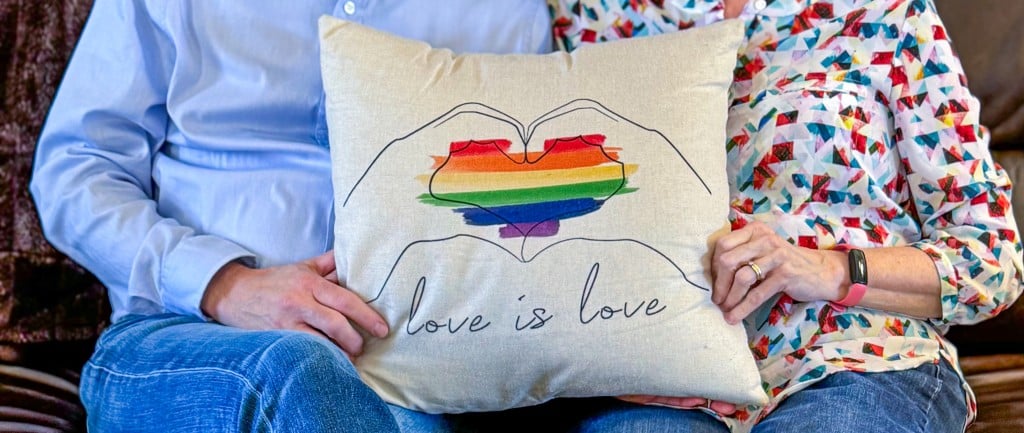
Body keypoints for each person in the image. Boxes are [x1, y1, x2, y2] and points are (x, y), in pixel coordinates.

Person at [31, 1, 760, 432]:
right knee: (299, 374)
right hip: (192, 334)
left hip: (438, 362)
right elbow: (73, 172)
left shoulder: (506, 11)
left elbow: (529, 196)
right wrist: (225, 284)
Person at [549, 0, 1023, 431]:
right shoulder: (600, 22)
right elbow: (539, 247)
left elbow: (992, 254)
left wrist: (826, 269)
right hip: (665, 381)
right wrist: (601, 362)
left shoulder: (886, 16)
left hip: (858, 356)